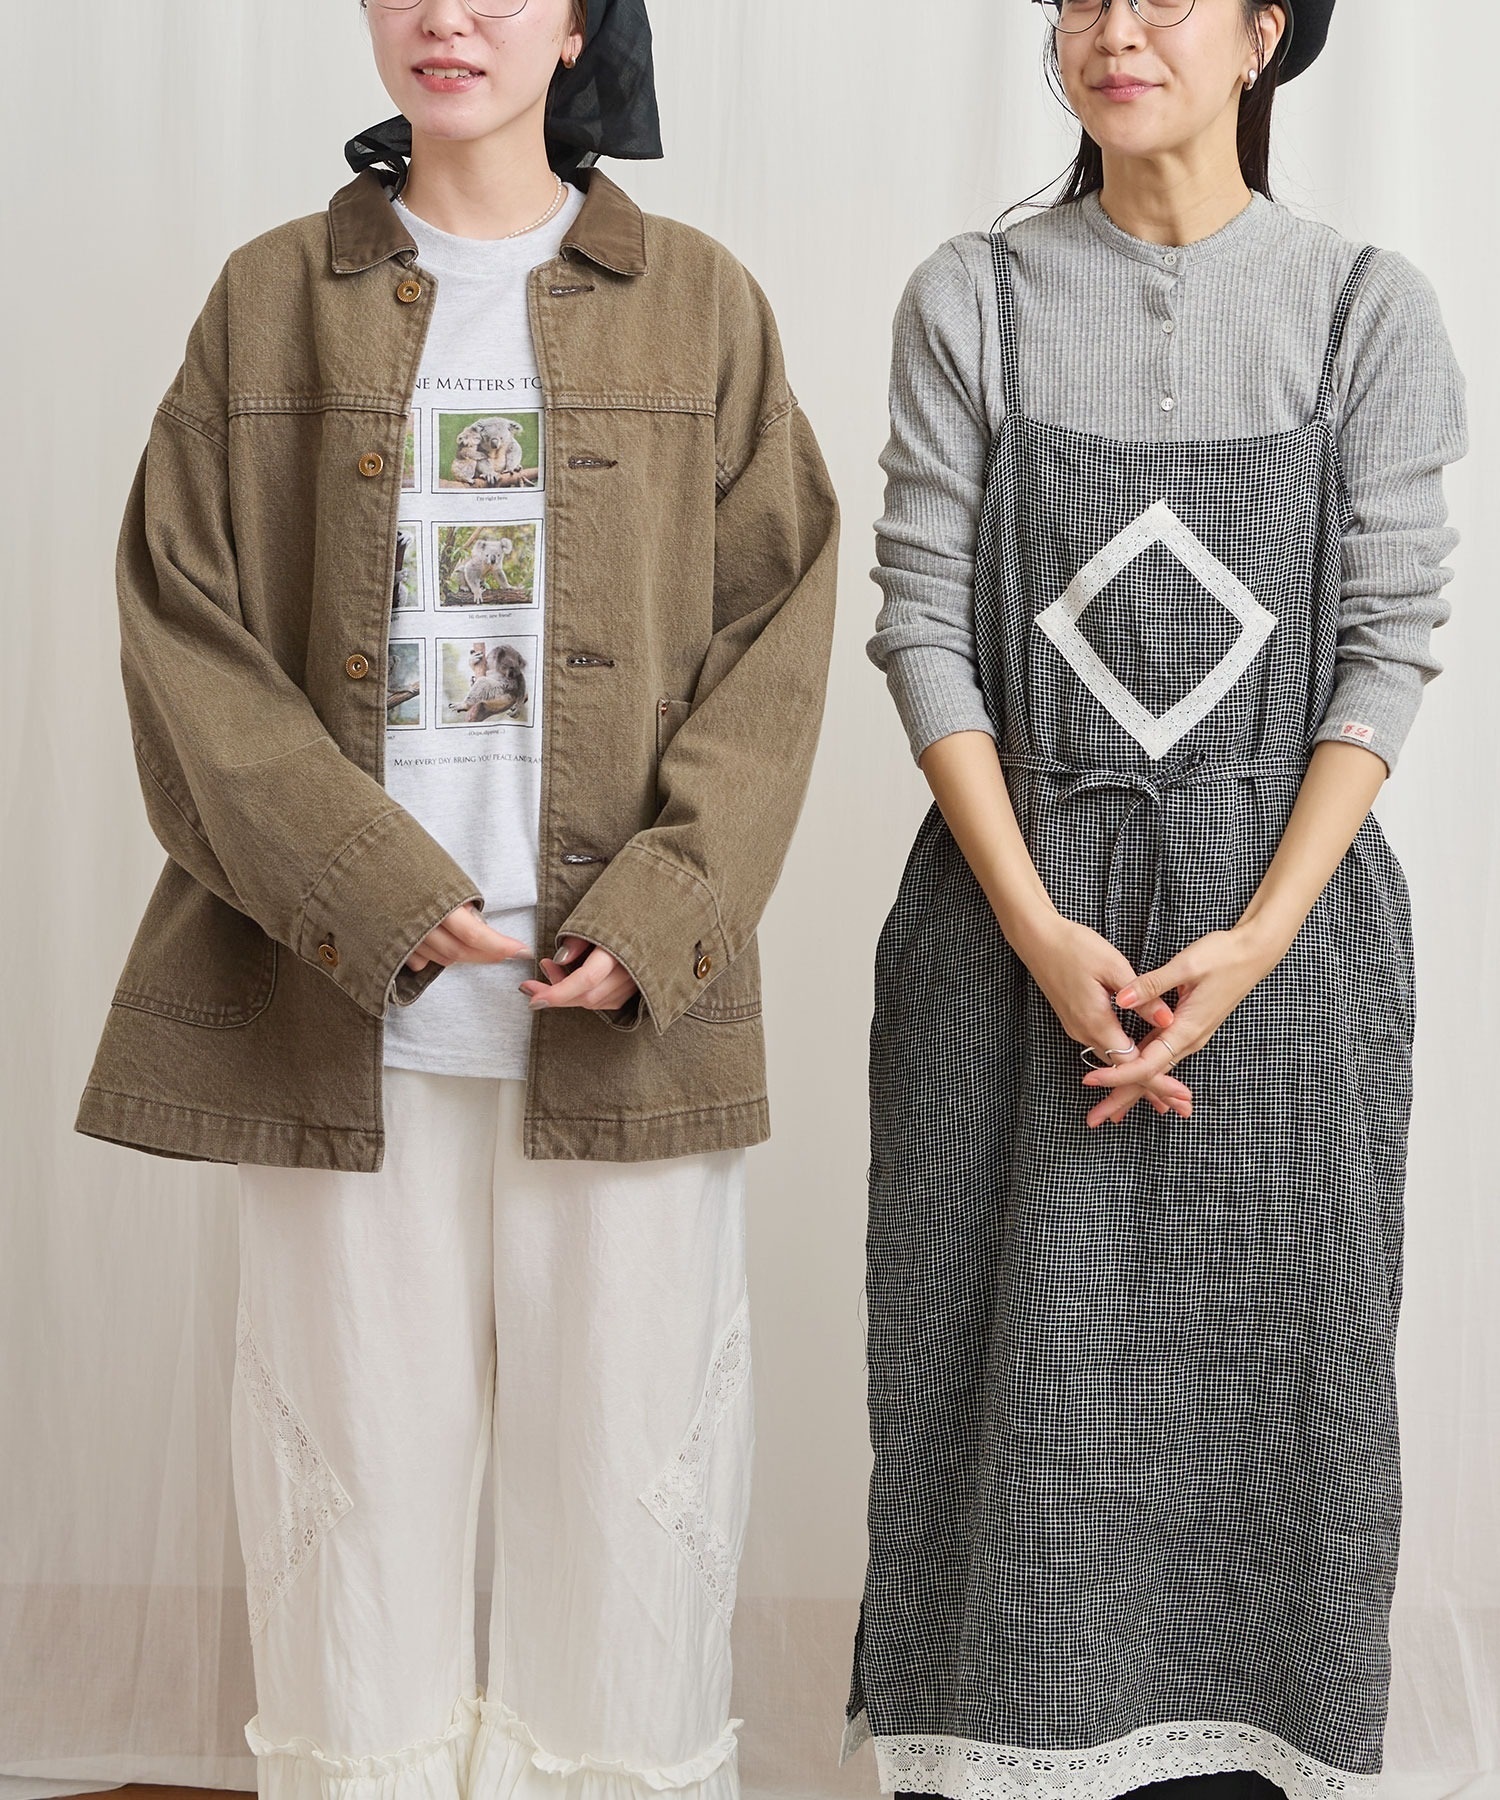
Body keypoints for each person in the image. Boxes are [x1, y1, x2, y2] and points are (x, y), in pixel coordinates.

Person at [73, 4, 839, 1799]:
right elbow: (180, 628)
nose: (447, 16)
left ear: (579, 24)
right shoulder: (271, 301)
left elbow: (781, 637)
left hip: (623, 1030)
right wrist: (376, 895)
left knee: (633, 1528)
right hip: (344, 1019)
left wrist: (660, 910)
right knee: (349, 1530)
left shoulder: (700, 304)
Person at [844, 3, 1466, 1799]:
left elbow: (1388, 645)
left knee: (1281, 1411)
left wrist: (1259, 938)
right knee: (999, 1403)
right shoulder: (975, 298)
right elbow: (922, 628)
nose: (1118, 31)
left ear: (1266, 33)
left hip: (1291, 957)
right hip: (1006, 945)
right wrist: (1037, 927)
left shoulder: (1362, 311)